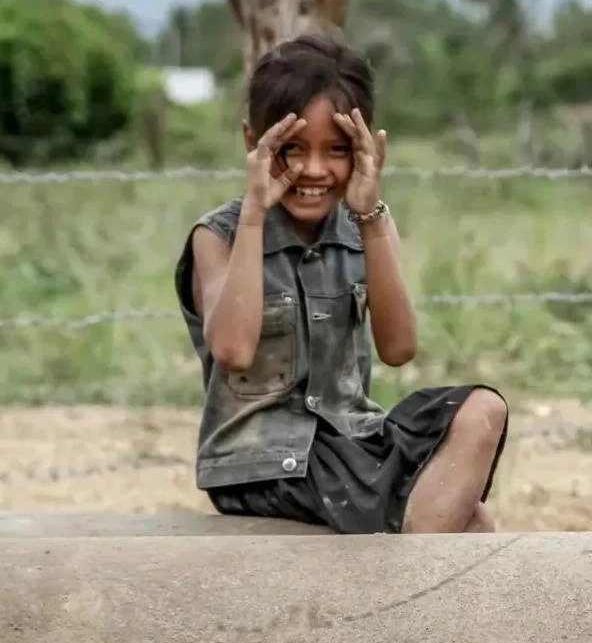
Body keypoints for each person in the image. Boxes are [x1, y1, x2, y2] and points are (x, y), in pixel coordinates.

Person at [174, 31, 508, 534]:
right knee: (466, 520)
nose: (314, 169)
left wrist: (370, 217)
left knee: (483, 412)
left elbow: (399, 347)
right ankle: (412, 591)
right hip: (267, 463)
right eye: (291, 148)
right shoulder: (218, 236)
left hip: (352, 446)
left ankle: (414, 578)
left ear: (365, 147)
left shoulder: (367, 224)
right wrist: (254, 217)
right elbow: (233, 350)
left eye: (336, 149)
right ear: (253, 142)